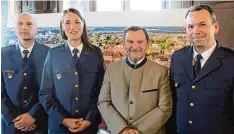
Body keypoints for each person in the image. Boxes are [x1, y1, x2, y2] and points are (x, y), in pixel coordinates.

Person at [166, 5, 234, 134]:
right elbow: (173, 103)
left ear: (216, 27)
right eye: (191, 27)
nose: (196, 31)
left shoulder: (231, 62)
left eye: (202, 25)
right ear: (186, 30)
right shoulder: (178, 58)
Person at [39, 8, 104, 134]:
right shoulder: (53, 54)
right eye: (67, 22)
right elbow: (45, 94)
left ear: (83, 24)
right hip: (59, 127)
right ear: (62, 27)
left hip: (88, 128)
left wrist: (89, 120)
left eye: (77, 22)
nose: (72, 27)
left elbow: (101, 91)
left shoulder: (96, 53)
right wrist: (63, 119)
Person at [98, 26, 172, 134]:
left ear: (147, 44)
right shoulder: (111, 70)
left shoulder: (160, 71)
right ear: (123, 45)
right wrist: (122, 129)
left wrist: (137, 131)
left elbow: (165, 107)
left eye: (140, 42)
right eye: (130, 42)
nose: (135, 46)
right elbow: (103, 102)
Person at [1, 12, 49, 134]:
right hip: (11, 125)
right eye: (20, 24)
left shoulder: (49, 54)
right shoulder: (3, 55)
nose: (24, 27)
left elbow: (51, 91)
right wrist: (14, 119)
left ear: (36, 29)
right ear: (15, 29)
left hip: (40, 123)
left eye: (29, 24)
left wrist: (32, 115)